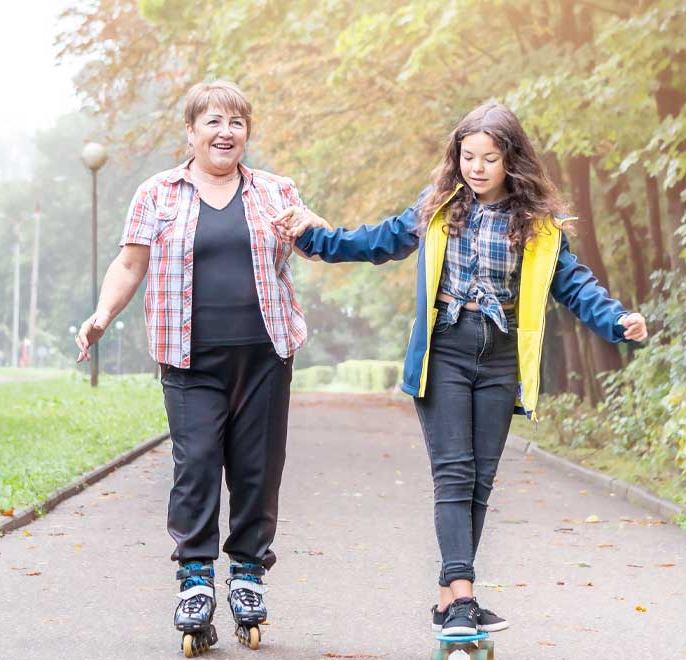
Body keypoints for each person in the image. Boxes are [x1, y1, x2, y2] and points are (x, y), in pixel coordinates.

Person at [274, 102, 648, 637]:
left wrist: (618, 321)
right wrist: (313, 236)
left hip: (500, 358)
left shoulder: (539, 227)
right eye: (467, 156)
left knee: (480, 482)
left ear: (510, 161)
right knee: (453, 473)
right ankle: (465, 596)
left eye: (489, 158)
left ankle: (450, 598)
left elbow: (575, 285)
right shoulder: (437, 208)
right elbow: (374, 242)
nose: (476, 167)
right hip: (444, 350)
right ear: (456, 158)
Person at [75, 81, 312, 655]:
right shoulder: (157, 193)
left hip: (265, 354)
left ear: (247, 133)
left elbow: (314, 242)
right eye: (212, 122)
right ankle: (196, 580)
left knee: (257, 469)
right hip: (188, 360)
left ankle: (249, 574)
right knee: (198, 465)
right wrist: (102, 315)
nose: (225, 132)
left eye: (235, 122)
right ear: (191, 132)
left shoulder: (275, 191)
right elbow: (130, 264)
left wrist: (313, 225)